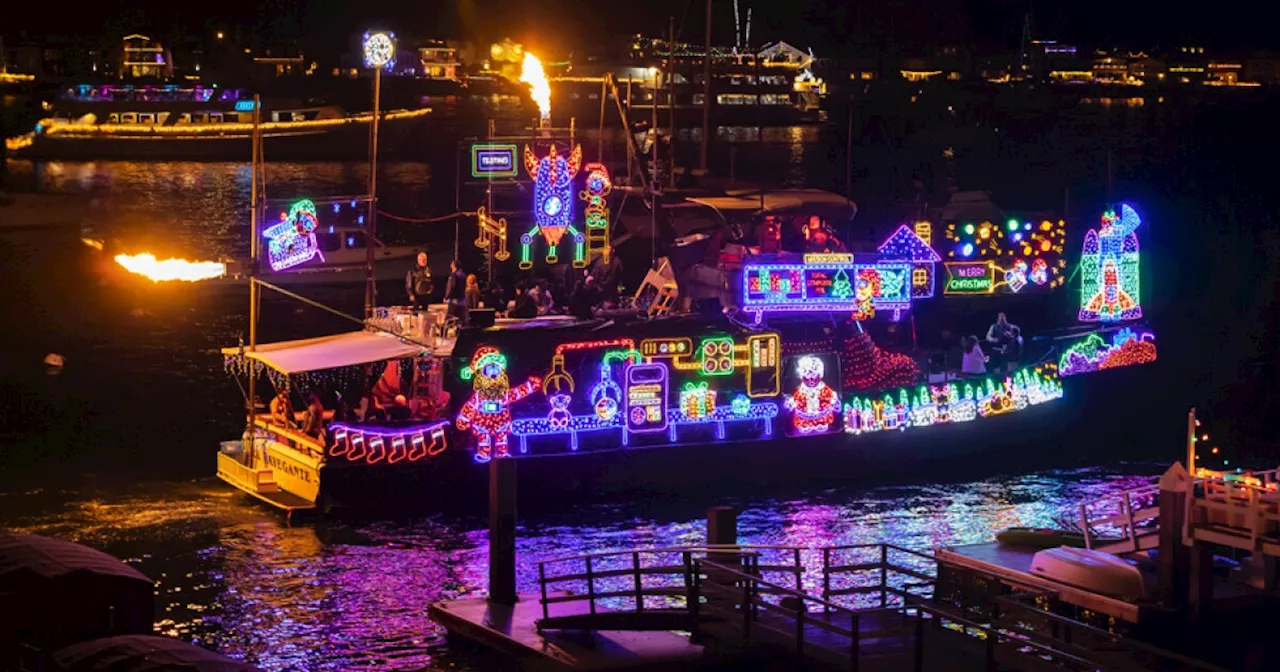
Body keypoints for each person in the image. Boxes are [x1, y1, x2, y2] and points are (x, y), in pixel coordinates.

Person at [443, 259, 467, 324]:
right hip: (462, 301)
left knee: (448, 319)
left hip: (453, 301)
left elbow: (451, 287)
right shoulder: (463, 275)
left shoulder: (454, 275)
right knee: (460, 320)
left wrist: (446, 297)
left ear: (454, 265)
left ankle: (444, 332)